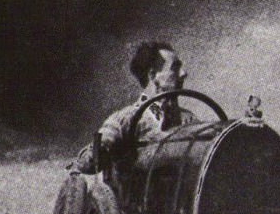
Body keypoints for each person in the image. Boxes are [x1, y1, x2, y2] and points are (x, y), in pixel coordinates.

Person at [73, 41, 194, 174]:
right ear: (153, 75)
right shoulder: (126, 120)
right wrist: (100, 151)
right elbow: (88, 161)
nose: (183, 73)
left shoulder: (188, 119)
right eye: (175, 68)